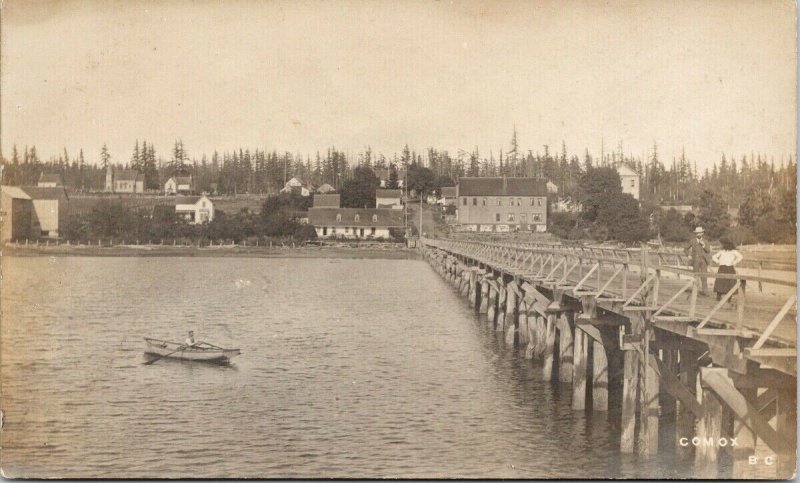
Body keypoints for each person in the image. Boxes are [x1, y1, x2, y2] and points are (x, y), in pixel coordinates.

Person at [686, 226, 712, 295]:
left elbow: (708, 250)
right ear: (695, 234)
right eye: (697, 233)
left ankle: (705, 291)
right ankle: (695, 291)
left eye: (700, 233)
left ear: (702, 233)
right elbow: (685, 249)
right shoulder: (692, 241)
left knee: (704, 276)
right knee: (695, 275)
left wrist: (703, 245)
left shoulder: (706, 241)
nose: (699, 234)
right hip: (696, 260)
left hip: (704, 260)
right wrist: (688, 255)